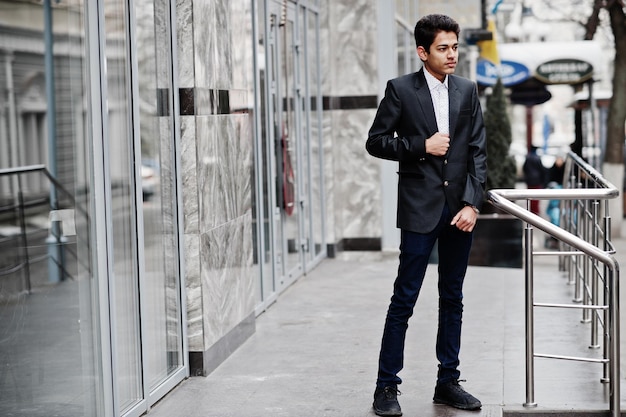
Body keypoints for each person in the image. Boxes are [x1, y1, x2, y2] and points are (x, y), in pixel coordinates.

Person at [365, 14, 487, 416]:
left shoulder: (468, 91)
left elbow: (478, 153)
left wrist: (473, 203)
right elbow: (376, 141)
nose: (451, 55)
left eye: (454, 47)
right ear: (423, 51)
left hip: (459, 215)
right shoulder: (400, 90)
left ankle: (447, 382)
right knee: (405, 299)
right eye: (443, 48)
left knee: (453, 297)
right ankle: (386, 387)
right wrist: (421, 145)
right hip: (419, 212)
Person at [522, 146, 548, 215]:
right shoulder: (537, 158)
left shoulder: (527, 158)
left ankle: (531, 212)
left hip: (529, 181)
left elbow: (524, 168)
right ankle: (536, 212)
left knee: (529, 197)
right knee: (536, 197)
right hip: (537, 180)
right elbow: (542, 170)